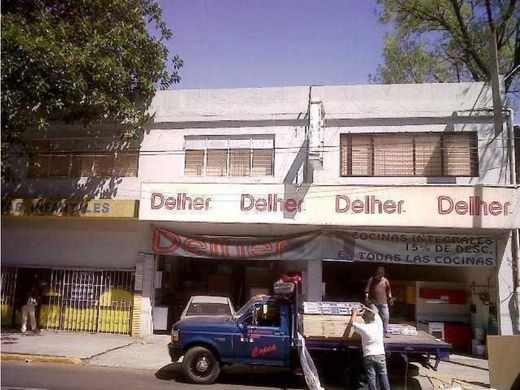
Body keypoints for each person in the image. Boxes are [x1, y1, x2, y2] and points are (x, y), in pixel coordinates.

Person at [346, 305, 390, 390]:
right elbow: (376, 314)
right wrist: (366, 308)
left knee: (371, 377)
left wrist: (354, 313)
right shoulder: (379, 324)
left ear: (364, 320)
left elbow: (353, 323)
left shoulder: (364, 328)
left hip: (369, 355)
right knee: (383, 375)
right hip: (380, 354)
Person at [365, 266, 393, 336]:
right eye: (378, 274)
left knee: (385, 317)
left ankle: (384, 332)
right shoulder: (371, 280)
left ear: (383, 274)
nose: (380, 276)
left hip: (384, 302)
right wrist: (366, 298)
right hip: (373, 302)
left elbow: (388, 291)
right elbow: (367, 290)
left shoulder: (385, 281)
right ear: (376, 273)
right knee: (375, 316)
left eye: (381, 274)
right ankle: (375, 332)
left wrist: (390, 298)